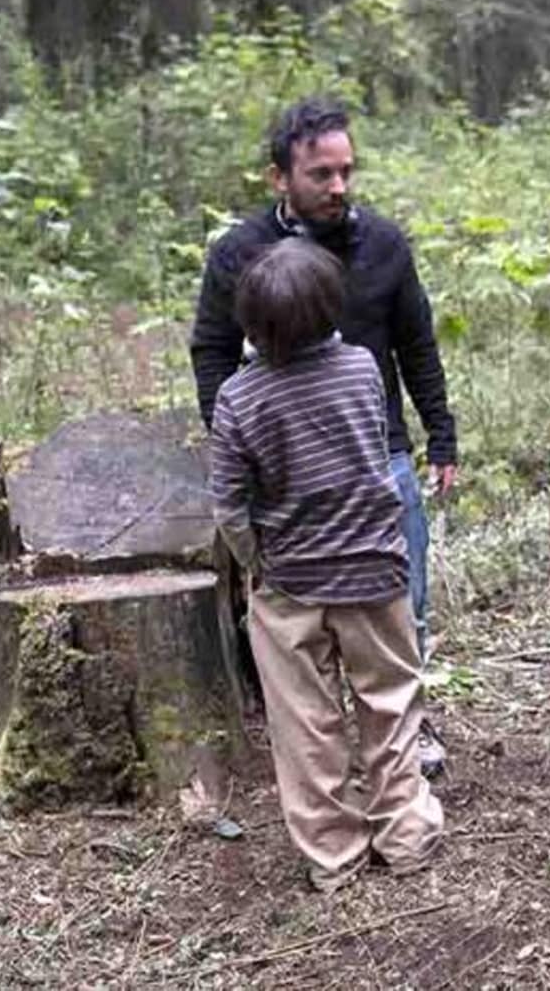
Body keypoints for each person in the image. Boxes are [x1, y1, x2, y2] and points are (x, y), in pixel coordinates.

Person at [191, 97, 457, 778]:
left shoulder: (384, 244)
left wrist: (442, 437)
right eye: (320, 174)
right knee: (298, 618)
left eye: (346, 171)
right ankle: (322, 749)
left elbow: (417, 345)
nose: (338, 187)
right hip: (285, 466)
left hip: (381, 457)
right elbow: (212, 351)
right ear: (280, 177)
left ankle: (404, 733)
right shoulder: (239, 253)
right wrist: (231, 441)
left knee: (403, 602)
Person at [207, 238, 443, 893]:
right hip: (374, 566)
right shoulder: (362, 368)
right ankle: (407, 836)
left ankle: (335, 856)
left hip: (291, 581)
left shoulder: (238, 398)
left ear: (249, 324)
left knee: (305, 724)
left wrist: (260, 563)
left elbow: (229, 506)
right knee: (391, 703)